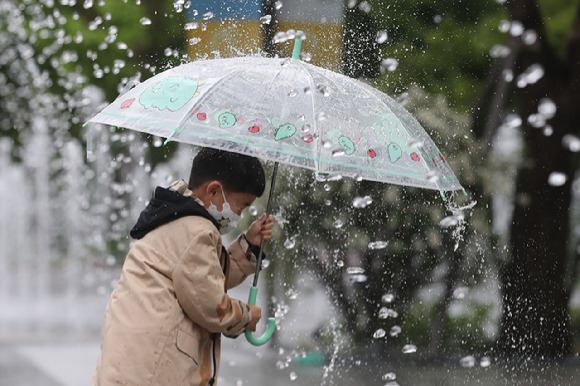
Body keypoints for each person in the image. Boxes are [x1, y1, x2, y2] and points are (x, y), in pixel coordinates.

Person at [92, 147, 274, 386]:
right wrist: (247, 315)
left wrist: (248, 245)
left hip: (135, 366)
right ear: (214, 191)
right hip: (151, 374)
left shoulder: (178, 218)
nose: (241, 215)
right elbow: (210, 304)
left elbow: (203, 280)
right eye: (242, 206)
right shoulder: (197, 231)